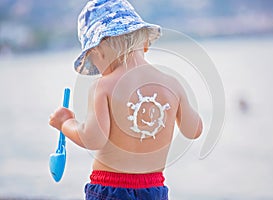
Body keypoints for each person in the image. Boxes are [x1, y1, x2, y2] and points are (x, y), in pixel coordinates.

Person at [49, 0, 202, 199]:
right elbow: (194, 130)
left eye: (93, 61)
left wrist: (65, 123)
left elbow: (93, 138)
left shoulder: (102, 86)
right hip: (154, 189)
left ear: (97, 52)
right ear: (145, 44)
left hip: (110, 188)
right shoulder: (171, 84)